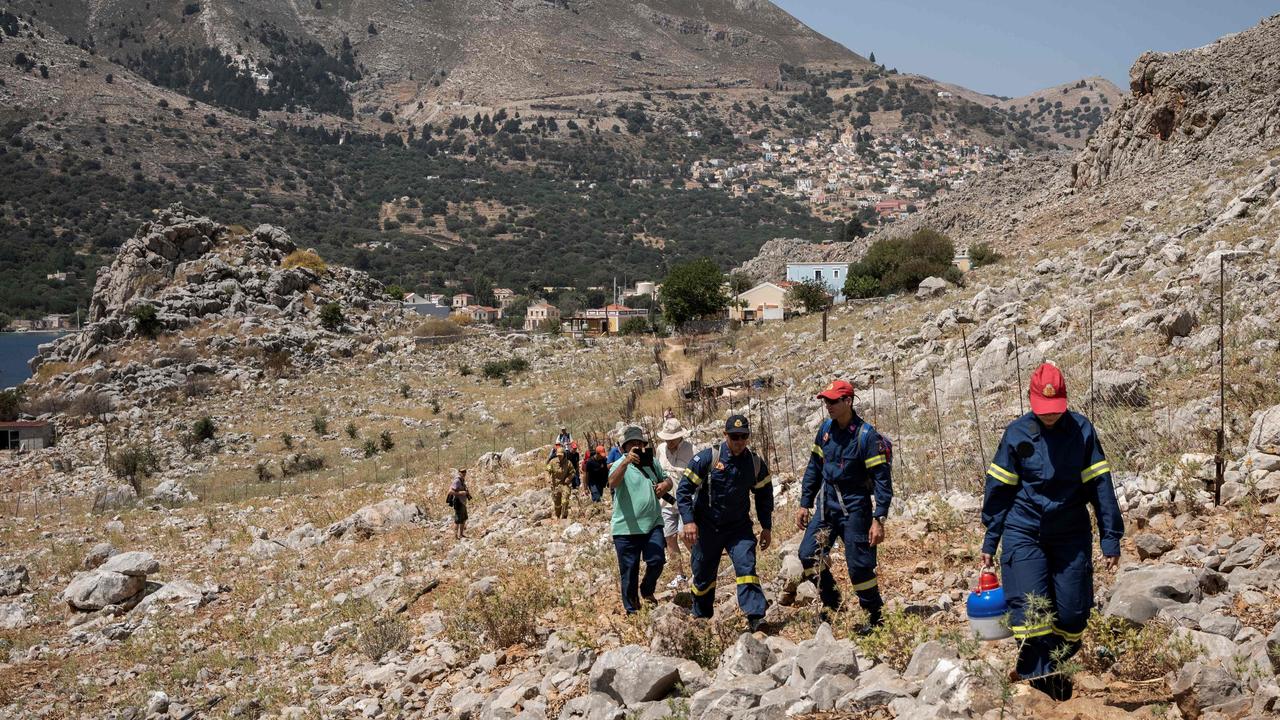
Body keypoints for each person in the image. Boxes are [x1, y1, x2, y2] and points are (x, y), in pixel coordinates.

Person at [981, 363, 1123, 701]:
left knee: (1073, 615)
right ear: (1031, 400)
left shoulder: (1082, 431)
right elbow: (998, 492)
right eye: (1043, 410)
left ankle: (1055, 663)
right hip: (1024, 530)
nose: (1049, 416)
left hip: (1070, 532)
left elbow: (1101, 486)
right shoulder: (1017, 435)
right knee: (1031, 615)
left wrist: (1110, 536)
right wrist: (991, 540)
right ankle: (1043, 686)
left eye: (1055, 409)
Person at [793, 379, 892, 635]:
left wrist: (879, 518)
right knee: (807, 555)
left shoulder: (866, 436)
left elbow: (882, 478)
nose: (828, 405)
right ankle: (832, 602)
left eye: (833, 401)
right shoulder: (825, 429)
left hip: (855, 507)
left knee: (859, 567)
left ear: (848, 401)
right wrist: (805, 503)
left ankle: (875, 618)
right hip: (826, 506)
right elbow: (814, 467)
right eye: (825, 401)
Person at [677, 415, 773, 632]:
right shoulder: (708, 458)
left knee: (746, 566)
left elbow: (764, 496)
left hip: (738, 528)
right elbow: (684, 490)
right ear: (725, 435)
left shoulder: (755, 463)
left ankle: (756, 617)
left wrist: (766, 526)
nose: (739, 441)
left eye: (744, 436)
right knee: (703, 573)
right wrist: (689, 522)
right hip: (707, 526)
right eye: (734, 436)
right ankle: (701, 615)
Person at [608, 425, 669, 614]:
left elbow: (667, 479)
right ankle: (632, 609)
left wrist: (664, 486)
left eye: (639, 443)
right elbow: (612, 483)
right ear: (624, 448)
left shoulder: (651, 463)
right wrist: (626, 462)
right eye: (631, 444)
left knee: (657, 560)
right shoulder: (619, 464)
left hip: (652, 524)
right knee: (629, 571)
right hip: (626, 529)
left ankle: (647, 589)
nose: (636, 447)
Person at [655, 417, 695, 588]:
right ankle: (679, 575)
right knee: (669, 537)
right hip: (666, 501)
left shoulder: (692, 450)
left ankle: (699, 567)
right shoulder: (660, 450)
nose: (669, 442)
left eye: (672, 439)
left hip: (687, 500)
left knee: (685, 534)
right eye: (666, 439)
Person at [546, 448, 574, 519]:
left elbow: (573, 472)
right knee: (557, 503)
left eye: (561, 455)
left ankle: (564, 515)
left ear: (564, 454)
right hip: (555, 485)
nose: (559, 456)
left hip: (565, 485)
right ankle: (557, 515)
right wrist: (548, 478)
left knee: (564, 500)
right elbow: (547, 470)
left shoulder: (568, 463)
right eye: (558, 455)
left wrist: (568, 478)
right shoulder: (552, 462)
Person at [448, 469, 470, 539]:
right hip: (458, 502)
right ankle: (455, 536)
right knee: (457, 520)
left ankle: (461, 534)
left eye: (465, 471)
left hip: (462, 502)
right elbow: (450, 491)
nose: (464, 473)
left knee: (463, 518)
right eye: (462, 472)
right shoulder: (457, 480)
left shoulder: (462, 480)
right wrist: (461, 493)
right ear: (459, 472)